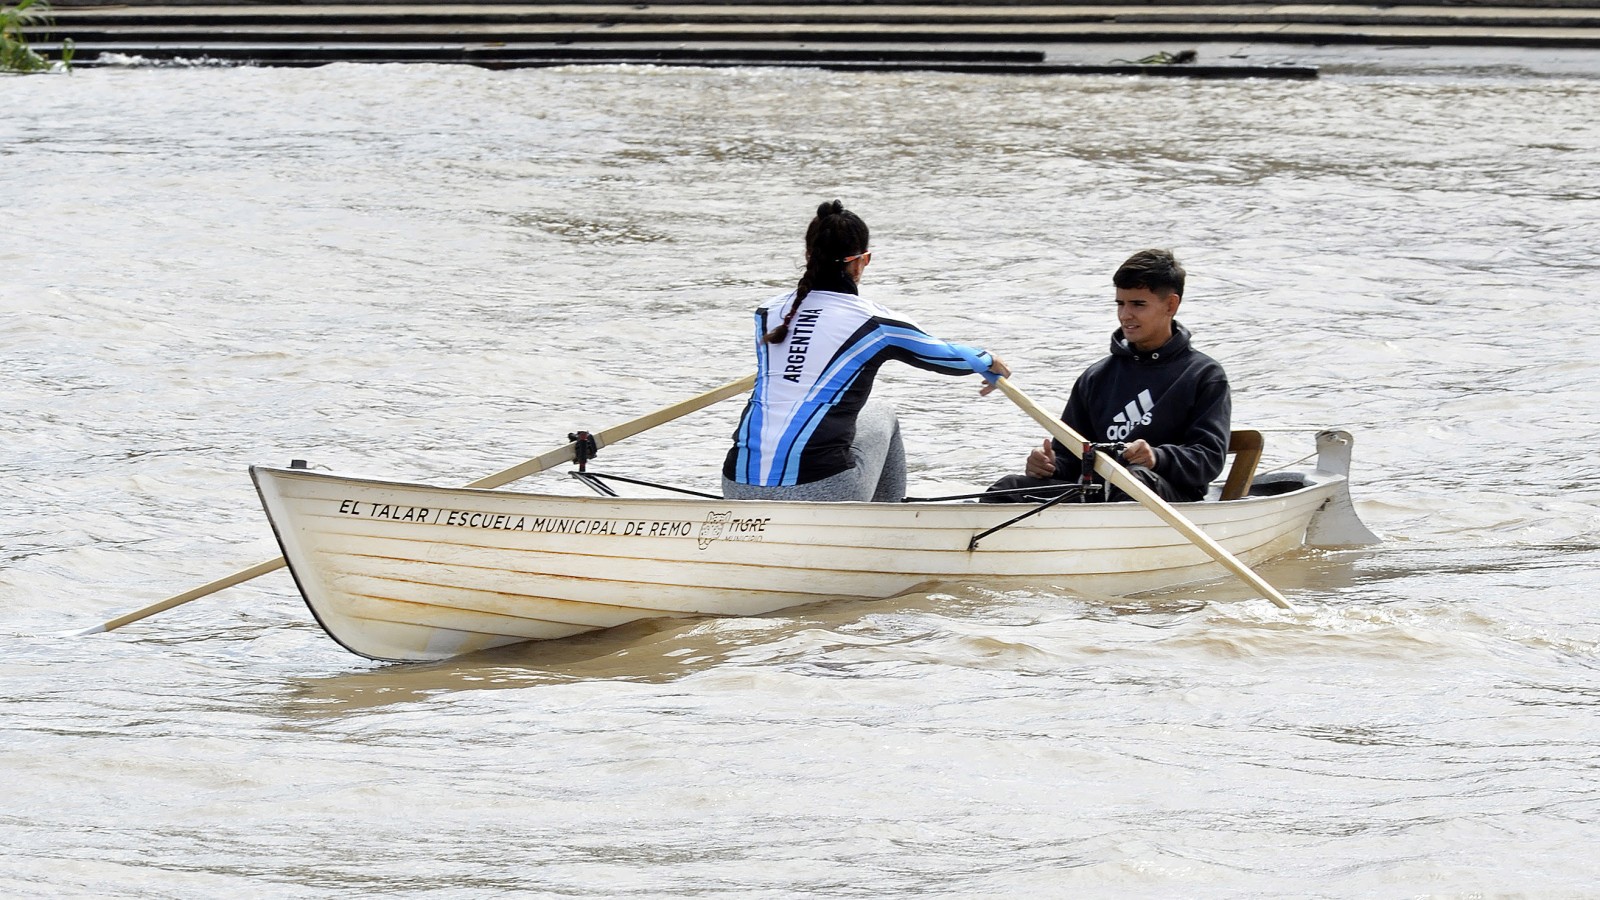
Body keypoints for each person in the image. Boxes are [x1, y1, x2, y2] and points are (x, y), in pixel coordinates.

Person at [723, 200, 1011, 502]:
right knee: (882, 414)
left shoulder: (767, 314)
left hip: (735, 486)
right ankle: (886, 526)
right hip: (822, 489)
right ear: (862, 261)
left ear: (809, 255)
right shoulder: (875, 324)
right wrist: (988, 361)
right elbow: (945, 357)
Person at [982, 248, 1229, 504]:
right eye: (1120, 303)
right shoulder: (1096, 377)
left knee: (1133, 480)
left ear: (1171, 305)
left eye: (1138, 304)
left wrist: (1157, 457)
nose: (1125, 315)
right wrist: (1049, 465)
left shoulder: (1204, 375)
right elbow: (1070, 458)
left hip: (1168, 497)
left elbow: (1208, 459)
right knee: (1009, 487)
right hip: (1098, 495)